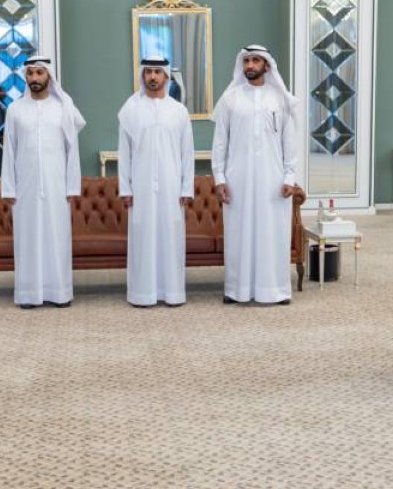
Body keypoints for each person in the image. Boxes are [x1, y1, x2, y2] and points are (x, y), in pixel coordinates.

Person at [211, 45, 299, 305]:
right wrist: (219, 179)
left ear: (266, 65)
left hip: (273, 180)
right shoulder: (230, 99)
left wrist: (289, 177)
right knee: (239, 233)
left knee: (273, 234)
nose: (250, 65)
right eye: (246, 60)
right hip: (238, 179)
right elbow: (220, 143)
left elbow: (290, 142)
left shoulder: (280, 99)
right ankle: (236, 290)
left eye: (255, 60)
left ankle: (276, 290)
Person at [0, 57, 85, 308]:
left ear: (49, 76)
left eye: (40, 73)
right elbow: (9, 151)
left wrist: (72, 186)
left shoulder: (63, 108)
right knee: (27, 239)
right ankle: (28, 294)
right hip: (25, 186)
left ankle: (59, 293)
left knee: (56, 238)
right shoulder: (15, 109)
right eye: (30, 74)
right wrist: (9, 188)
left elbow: (72, 150)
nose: (35, 78)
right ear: (25, 77)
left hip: (57, 185)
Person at [118, 58, 195, 307]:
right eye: (148, 72)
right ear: (143, 75)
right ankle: (142, 294)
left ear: (166, 76)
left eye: (157, 72)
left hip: (172, 188)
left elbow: (187, 153)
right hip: (140, 187)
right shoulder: (130, 109)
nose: (152, 76)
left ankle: (173, 293)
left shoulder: (179, 111)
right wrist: (125, 188)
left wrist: (186, 188)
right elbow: (124, 153)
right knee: (142, 239)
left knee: (171, 238)